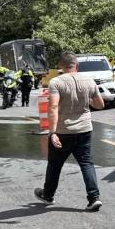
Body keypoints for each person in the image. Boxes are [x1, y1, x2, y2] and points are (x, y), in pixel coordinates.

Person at [35, 52, 105, 211]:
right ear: (76, 65)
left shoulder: (56, 82)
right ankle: (94, 198)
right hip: (84, 129)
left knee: (54, 165)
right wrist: (85, 100)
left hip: (63, 131)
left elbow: (53, 107)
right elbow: (100, 105)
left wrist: (52, 132)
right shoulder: (89, 80)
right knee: (87, 163)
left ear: (60, 66)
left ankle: (48, 195)